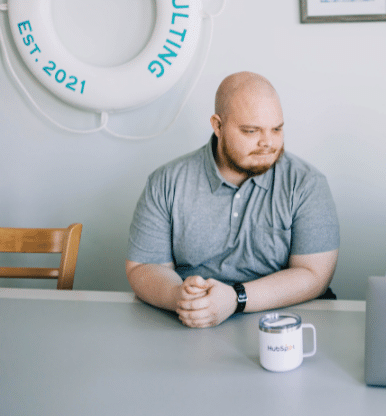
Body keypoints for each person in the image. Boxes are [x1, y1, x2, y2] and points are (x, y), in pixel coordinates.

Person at [126, 72, 340, 328]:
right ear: (217, 126)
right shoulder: (166, 182)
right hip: (186, 323)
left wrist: (236, 298)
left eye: (277, 129)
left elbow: (315, 275)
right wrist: (180, 297)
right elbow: (143, 267)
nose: (268, 143)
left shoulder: (306, 183)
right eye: (251, 131)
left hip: (282, 325)